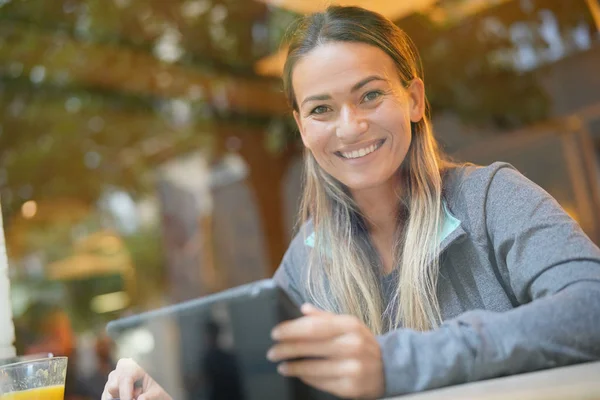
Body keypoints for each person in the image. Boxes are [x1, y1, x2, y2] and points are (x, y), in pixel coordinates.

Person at [102, 5, 600, 400]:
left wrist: (392, 364)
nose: (350, 126)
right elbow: (272, 384)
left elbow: (591, 307)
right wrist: (181, 390)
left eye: (369, 95)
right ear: (302, 127)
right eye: (321, 109)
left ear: (414, 99)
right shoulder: (308, 257)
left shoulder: (491, 197)